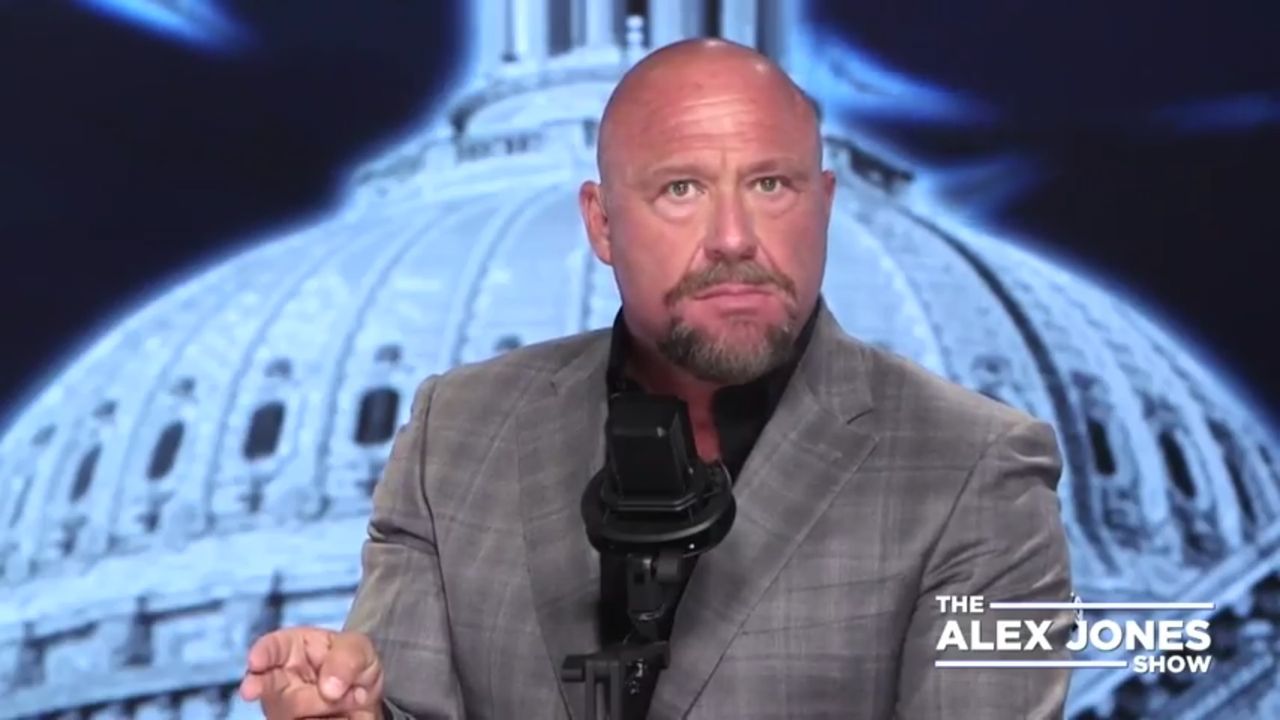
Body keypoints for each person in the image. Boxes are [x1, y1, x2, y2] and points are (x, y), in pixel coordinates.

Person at [239, 38, 1076, 719]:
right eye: (681, 188)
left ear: (824, 203)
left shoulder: (973, 467)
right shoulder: (454, 432)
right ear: (602, 222)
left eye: (771, 184)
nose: (733, 237)